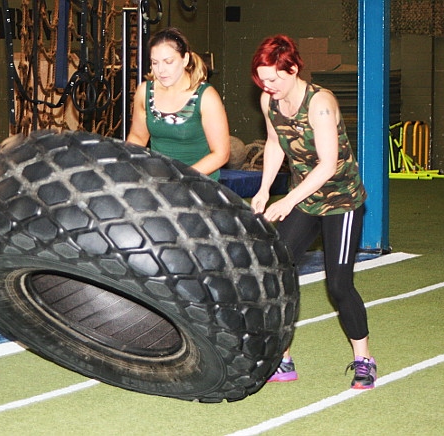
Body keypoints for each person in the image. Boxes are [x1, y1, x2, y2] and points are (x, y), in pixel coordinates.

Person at [249, 34, 377, 389]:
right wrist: (263, 189)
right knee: (278, 269)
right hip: (305, 197)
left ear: (293, 69)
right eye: (262, 78)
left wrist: (286, 201)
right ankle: (283, 358)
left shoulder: (320, 103)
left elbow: (326, 165)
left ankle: (364, 359)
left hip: (340, 198)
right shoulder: (268, 101)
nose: (267, 85)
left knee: (338, 284)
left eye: (274, 77)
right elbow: (275, 143)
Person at [126, 27, 230, 180]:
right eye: (155, 63)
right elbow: (137, 138)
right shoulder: (145, 92)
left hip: (199, 182)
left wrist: (180, 177)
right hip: (160, 180)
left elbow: (221, 154)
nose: (161, 70)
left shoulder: (206, 96)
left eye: (168, 62)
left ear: (185, 59)